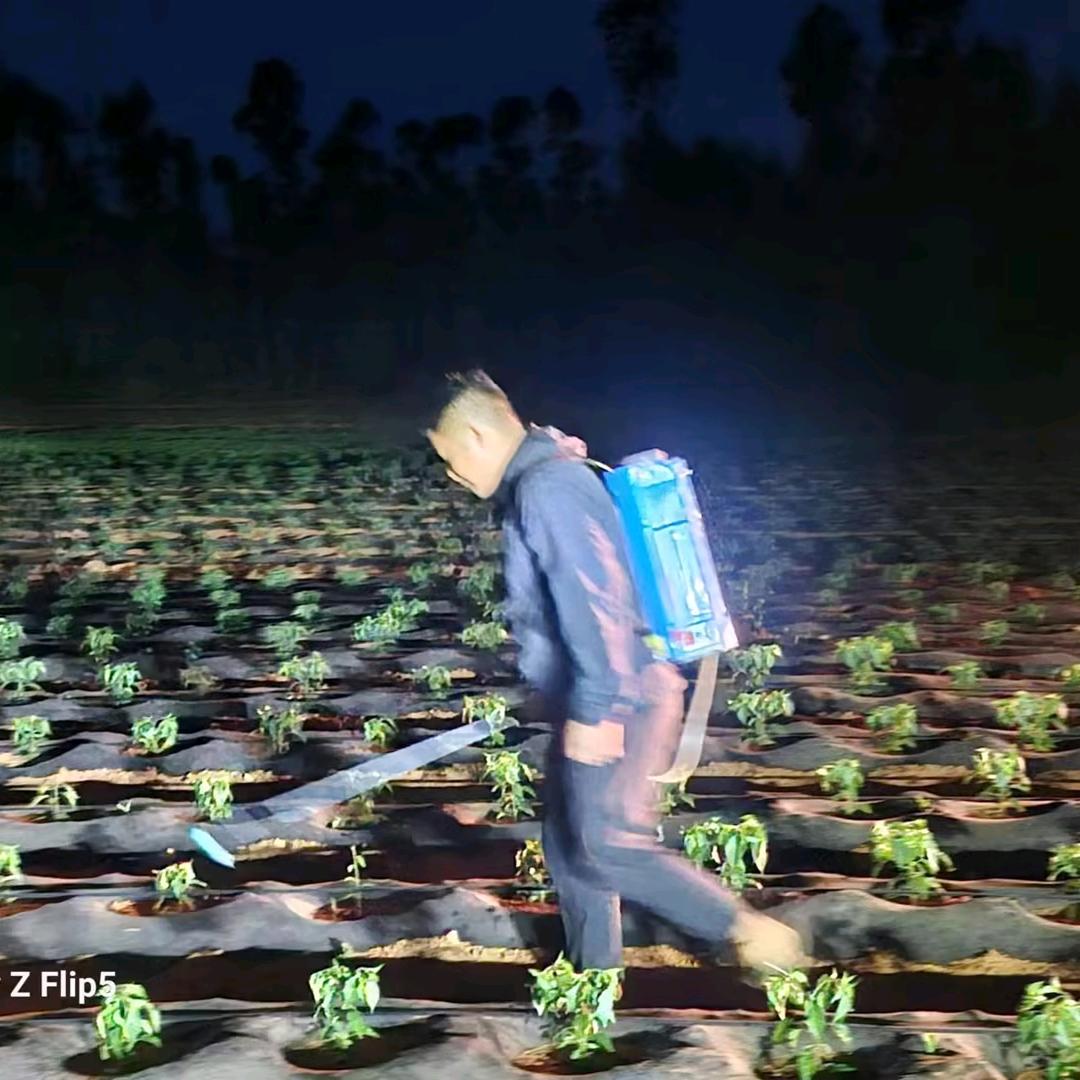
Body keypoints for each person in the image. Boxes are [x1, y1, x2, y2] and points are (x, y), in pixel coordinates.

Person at [425, 369, 810, 977]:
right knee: (570, 844)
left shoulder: (548, 488)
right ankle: (591, 982)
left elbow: (594, 601)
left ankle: (747, 931)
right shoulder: (550, 478)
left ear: (475, 433)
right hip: (603, 690)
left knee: (605, 845)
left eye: (448, 457)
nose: (451, 474)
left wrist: (598, 709)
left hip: (620, 696)